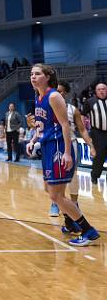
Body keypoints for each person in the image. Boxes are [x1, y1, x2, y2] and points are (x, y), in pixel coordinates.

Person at [25, 64, 99, 246]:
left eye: (37, 74)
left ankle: (87, 230)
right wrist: (33, 140)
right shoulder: (38, 97)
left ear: (47, 76)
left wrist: (67, 153)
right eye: (31, 74)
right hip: (47, 147)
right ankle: (71, 222)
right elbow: (42, 125)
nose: (33, 77)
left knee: (57, 195)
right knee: (49, 190)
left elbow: (65, 125)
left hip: (59, 148)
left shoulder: (54, 96)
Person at [53, 81, 96, 232]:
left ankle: (73, 208)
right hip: (53, 145)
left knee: (72, 176)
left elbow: (83, 130)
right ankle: (62, 208)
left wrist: (90, 145)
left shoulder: (73, 109)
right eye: (57, 91)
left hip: (70, 144)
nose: (59, 93)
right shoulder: (48, 108)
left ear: (66, 93)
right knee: (55, 181)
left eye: (62, 91)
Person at [81, 82, 107, 184]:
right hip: (98, 133)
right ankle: (95, 175)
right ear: (96, 91)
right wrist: (83, 128)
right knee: (99, 155)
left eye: (104, 89)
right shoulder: (90, 101)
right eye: (99, 89)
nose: (102, 91)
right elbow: (83, 115)